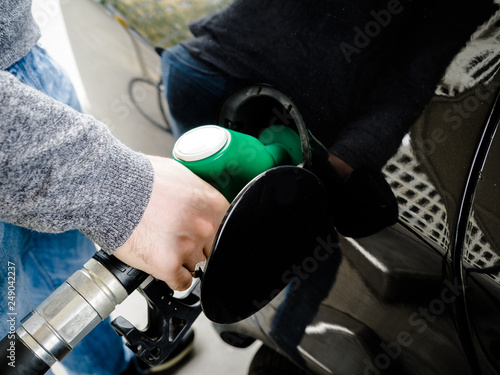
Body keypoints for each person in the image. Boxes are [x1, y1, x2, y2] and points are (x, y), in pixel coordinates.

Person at [159, 0, 497, 373]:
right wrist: (340, 164)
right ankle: (261, 331)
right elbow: (408, 80)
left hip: (204, 70)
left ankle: (200, 310)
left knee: (194, 222)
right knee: (304, 257)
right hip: (257, 102)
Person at [0, 1, 229, 375]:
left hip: (26, 62)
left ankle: (110, 369)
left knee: (67, 274)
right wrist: (112, 187)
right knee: (7, 324)